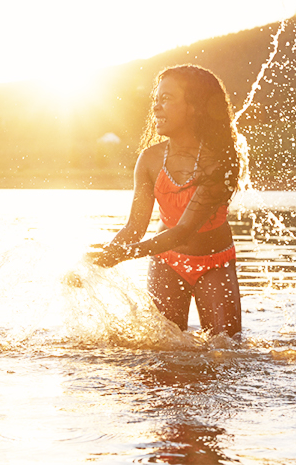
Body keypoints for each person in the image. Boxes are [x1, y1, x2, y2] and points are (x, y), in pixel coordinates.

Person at [92, 65, 245, 337]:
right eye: (156, 100)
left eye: (167, 99)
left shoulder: (220, 163)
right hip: (167, 261)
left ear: (195, 107)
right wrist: (99, 261)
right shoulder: (149, 160)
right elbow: (134, 228)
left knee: (227, 348)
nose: (156, 108)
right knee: (165, 349)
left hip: (215, 263)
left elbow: (184, 231)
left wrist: (126, 254)